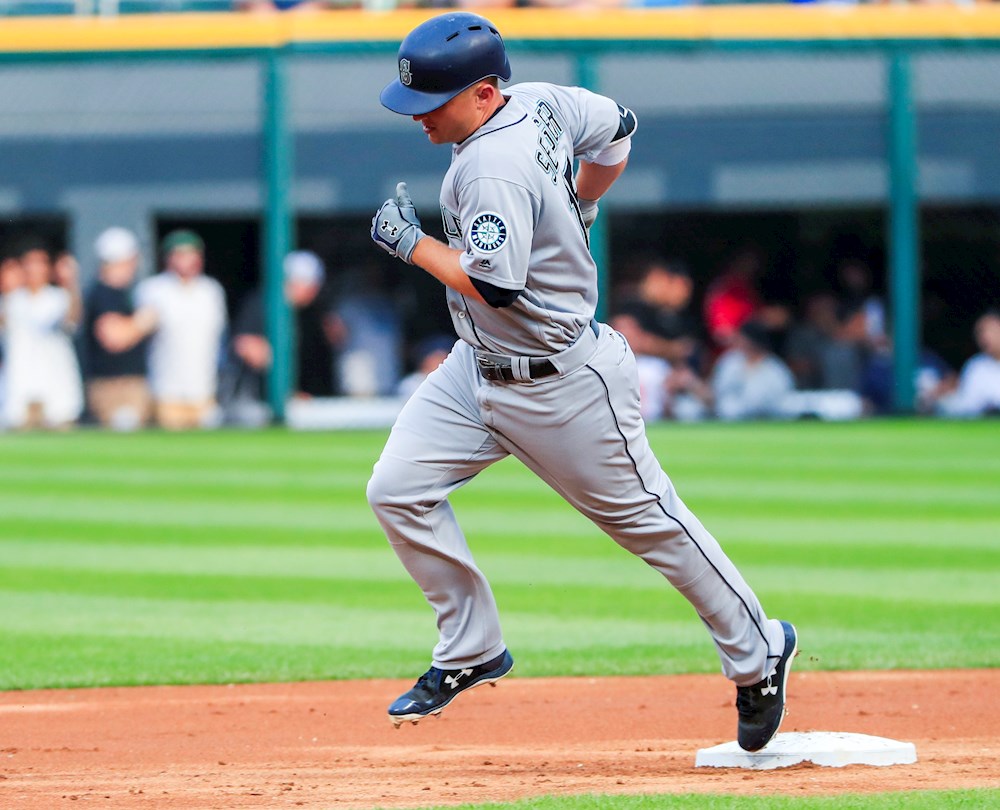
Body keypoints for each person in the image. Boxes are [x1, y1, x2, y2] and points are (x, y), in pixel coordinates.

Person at [366, 12, 796, 753]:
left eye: (433, 101)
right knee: (397, 489)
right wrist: (584, 201)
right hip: (475, 369)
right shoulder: (543, 100)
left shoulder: (489, 167)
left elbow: (494, 285)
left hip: (561, 383)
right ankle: (471, 647)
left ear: (484, 92)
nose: (419, 116)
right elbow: (620, 130)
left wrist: (411, 245)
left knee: (653, 525)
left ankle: (760, 651)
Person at [96, 229, 227, 430]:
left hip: (205, 390)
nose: (186, 261)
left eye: (191, 254)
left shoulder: (211, 291)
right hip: (166, 391)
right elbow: (122, 335)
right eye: (180, 254)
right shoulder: (154, 290)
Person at [0, 239, 84, 430]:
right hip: (20, 383)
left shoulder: (59, 297)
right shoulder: (11, 299)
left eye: (40, 263)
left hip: (56, 383)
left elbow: (72, 321)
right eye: (29, 264)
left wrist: (70, 283)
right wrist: (5, 288)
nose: (34, 270)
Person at [83, 227, 152, 430]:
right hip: (114, 386)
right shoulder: (103, 293)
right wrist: (144, 321)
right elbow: (113, 337)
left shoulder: (125, 293)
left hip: (128, 381)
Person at [711, 320, 796, 421]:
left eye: (742, 338)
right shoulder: (730, 361)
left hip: (768, 418)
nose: (739, 341)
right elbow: (717, 392)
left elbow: (784, 398)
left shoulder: (774, 367)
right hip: (730, 418)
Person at [936, 310, 1000, 417]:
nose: (986, 337)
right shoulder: (976, 366)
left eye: (992, 331)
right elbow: (967, 406)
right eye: (981, 332)